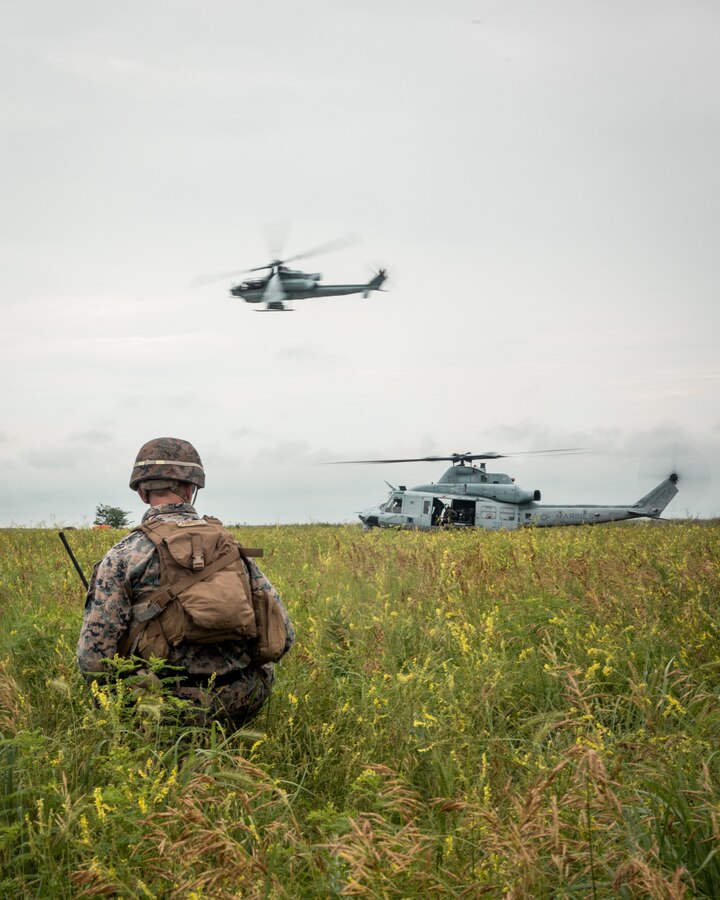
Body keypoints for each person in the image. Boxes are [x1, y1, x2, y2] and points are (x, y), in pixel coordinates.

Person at [76, 437, 294, 728]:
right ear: (192, 489)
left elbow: (93, 659)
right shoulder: (232, 549)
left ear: (142, 492)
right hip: (240, 697)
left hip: (160, 706)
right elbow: (285, 636)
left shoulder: (123, 555)